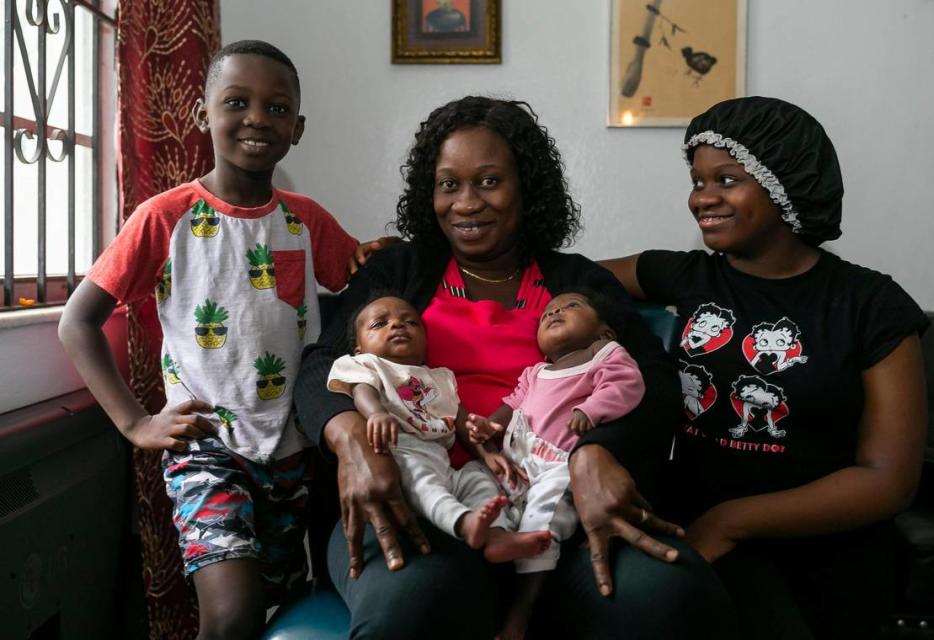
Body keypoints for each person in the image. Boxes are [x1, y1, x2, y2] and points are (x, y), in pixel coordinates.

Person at [294, 95, 735, 639]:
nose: (466, 203)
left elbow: (656, 383)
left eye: (488, 181)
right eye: (448, 184)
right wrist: (352, 440)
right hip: (417, 492)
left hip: (556, 501)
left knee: (671, 594)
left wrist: (598, 452)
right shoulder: (399, 269)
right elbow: (322, 366)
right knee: (415, 602)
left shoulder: (578, 284)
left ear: (526, 186)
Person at [58, 40, 384, 640]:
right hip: (206, 448)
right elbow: (77, 321)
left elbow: (363, 290)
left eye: (277, 107)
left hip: (294, 452)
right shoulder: (163, 216)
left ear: (298, 128)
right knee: (229, 617)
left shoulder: (307, 219)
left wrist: (383, 258)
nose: (258, 117)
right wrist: (135, 424)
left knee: (274, 604)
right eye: (237, 101)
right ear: (202, 114)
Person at [600, 96, 929, 638]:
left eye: (726, 180)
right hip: (695, 524)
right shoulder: (684, 276)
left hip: (826, 543)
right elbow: (557, 279)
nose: (702, 198)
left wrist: (732, 522)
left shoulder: (871, 304)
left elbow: (887, 479)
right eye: (697, 180)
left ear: (785, 184)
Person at [466, 289, 646, 639]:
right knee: (475, 476)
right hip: (518, 458)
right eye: (548, 311)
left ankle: (524, 605)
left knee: (542, 516)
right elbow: (513, 405)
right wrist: (489, 426)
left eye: (571, 306)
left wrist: (591, 409)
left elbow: (627, 385)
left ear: (604, 331)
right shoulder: (536, 371)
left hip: (558, 465)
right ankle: (498, 536)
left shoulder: (603, 353)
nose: (556, 311)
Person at [327, 294, 552, 560]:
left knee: (477, 479)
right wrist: (375, 413)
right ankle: (464, 523)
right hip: (401, 454)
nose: (398, 326)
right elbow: (362, 389)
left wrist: (487, 453)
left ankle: (496, 535)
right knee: (422, 481)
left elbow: (459, 419)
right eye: (380, 324)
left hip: (442, 461)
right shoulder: (366, 364)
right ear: (359, 348)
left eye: (410, 322)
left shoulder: (440, 377)